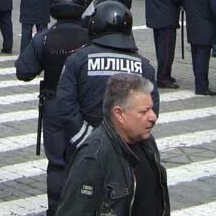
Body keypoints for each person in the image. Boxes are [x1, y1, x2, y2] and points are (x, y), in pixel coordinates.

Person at [15, 0, 91, 216]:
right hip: (84, 106)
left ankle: (56, 209)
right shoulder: (92, 37)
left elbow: (24, 71)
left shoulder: (44, 38)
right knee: (86, 160)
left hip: (55, 104)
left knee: (57, 162)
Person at [56, 72, 170, 216]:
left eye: (151, 109)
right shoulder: (93, 157)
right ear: (119, 114)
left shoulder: (147, 142)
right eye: (144, 111)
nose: (153, 117)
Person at [56, 0, 160, 152]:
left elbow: (65, 104)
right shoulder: (144, 67)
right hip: (129, 150)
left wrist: (87, 139)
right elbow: (151, 110)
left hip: (84, 149)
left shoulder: (77, 60)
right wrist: (126, 139)